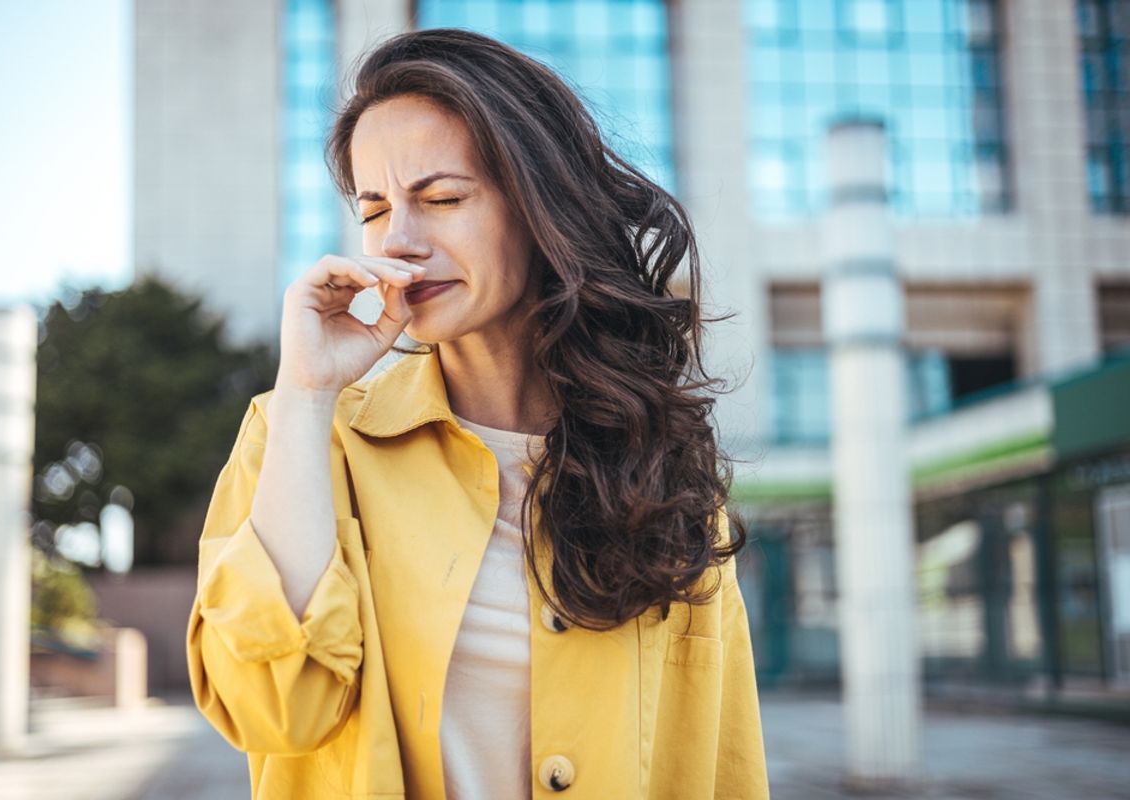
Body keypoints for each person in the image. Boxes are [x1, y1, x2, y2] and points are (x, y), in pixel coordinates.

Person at [186, 27, 769, 800]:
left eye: (442, 199)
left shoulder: (662, 462)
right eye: (374, 210)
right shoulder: (304, 433)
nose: (399, 240)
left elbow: (720, 763)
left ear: (540, 207)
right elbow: (272, 710)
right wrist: (305, 393)